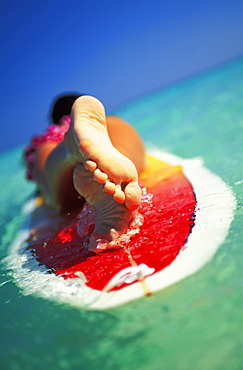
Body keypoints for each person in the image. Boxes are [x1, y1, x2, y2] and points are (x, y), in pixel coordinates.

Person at [24, 94, 146, 252]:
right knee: (124, 145)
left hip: (55, 145)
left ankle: (69, 149)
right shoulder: (105, 122)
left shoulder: (47, 140)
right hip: (105, 129)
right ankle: (116, 173)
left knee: (50, 182)